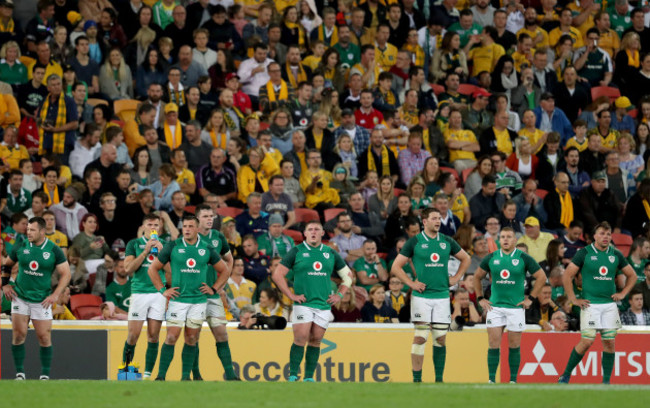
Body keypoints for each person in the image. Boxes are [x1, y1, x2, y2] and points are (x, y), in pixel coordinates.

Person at [391, 207, 471, 383]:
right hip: (422, 297)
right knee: (420, 336)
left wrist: (456, 278)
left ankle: (439, 380)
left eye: (439, 219)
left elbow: (466, 258)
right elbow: (396, 267)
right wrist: (412, 283)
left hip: (442, 296)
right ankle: (417, 380)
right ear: (424, 221)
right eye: (434, 218)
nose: (437, 221)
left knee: (440, 339)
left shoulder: (447, 241)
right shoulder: (414, 242)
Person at [147, 214, 229, 381]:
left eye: (191, 226)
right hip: (177, 301)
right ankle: (160, 376)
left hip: (198, 302)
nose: (187, 230)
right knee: (171, 336)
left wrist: (213, 288)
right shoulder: (173, 246)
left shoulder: (206, 248)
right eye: (185, 226)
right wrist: (163, 290)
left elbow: (225, 270)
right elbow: (152, 269)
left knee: (191, 338)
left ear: (197, 229)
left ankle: (185, 377)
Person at [272, 220, 352, 382]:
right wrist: (291, 295)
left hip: (323, 304)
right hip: (303, 303)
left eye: (317, 229)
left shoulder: (330, 253)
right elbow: (277, 274)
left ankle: (309, 377)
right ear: (305, 234)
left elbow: (348, 276)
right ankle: (293, 374)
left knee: (316, 339)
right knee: (301, 337)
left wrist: (340, 295)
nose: (313, 232)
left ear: (323, 233)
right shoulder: (296, 251)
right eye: (310, 229)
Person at [558, 222, 637, 384]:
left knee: (609, 343)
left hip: (609, 305)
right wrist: (573, 299)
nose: (606, 237)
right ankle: (565, 375)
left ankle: (606, 383)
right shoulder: (584, 253)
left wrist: (623, 293)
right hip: (590, 304)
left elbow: (633, 276)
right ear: (594, 236)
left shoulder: (615, 254)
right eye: (602, 233)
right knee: (587, 341)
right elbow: (567, 276)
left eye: (608, 234)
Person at [1, 216, 70, 380]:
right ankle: (20, 373)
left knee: (44, 337)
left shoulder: (54, 249)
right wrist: (5, 285)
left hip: (42, 299)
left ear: (42, 231)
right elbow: (7, 264)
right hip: (20, 296)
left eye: (32, 230)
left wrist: (55, 295)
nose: (28, 232)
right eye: (27, 229)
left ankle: (44, 375)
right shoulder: (21, 244)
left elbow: (66, 274)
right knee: (19, 334)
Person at [473, 227, 545, 383]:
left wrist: (530, 299)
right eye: (503, 236)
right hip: (495, 307)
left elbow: (541, 277)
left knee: (514, 345)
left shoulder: (523, 258)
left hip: (515, 308)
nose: (505, 239)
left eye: (509, 237)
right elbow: (477, 277)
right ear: (499, 239)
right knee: (493, 343)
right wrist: (480, 298)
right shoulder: (491, 257)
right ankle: (491, 380)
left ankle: (513, 381)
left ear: (515, 240)